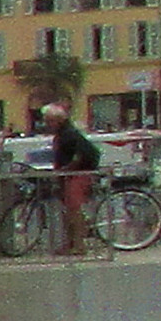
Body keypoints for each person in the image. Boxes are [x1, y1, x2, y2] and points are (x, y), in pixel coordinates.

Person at [48, 103, 101, 242]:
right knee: (70, 210)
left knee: (73, 209)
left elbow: (79, 155)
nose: (47, 124)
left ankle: (78, 244)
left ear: (59, 120)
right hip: (74, 173)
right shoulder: (66, 133)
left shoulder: (68, 134)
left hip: (77, 174)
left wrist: (67, 169)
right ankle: (72, 243)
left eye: (50, 120)